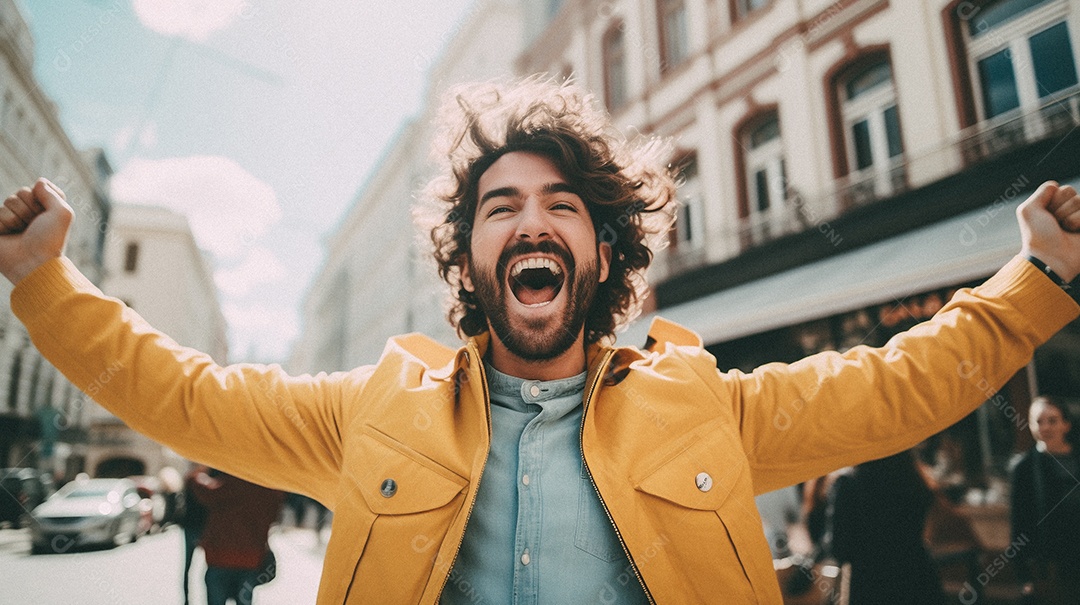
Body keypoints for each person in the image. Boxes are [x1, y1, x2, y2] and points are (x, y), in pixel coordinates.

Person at [0, 78, 1077, 603]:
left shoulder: (707, 402)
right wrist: (47, 281)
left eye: (564, 204)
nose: (532, 221)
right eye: (501, 204)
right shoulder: (368, 412)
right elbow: (187, 394)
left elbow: (897, 383)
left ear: (602, 252)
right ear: (467, 258)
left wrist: (1037, 283)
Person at [828, 451, 946, 605]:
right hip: (918, 578)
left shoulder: (849, 485)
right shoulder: (913, 479)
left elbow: (840, 550)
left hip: (873, 586)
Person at [1010, 396, 1080, 604]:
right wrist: (1024, 576)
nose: (1045, 427)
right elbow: (1019, 522)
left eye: (1052, 420)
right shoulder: (1024, 468)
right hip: (1052, 562)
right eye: (1038, 421)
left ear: (1066, 424)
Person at [191, 469, 284, 605]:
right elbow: (274, 513)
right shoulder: (269, 491)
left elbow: (207, 492)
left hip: (220, 556)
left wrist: (195, 475)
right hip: (250, 558)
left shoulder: (233, 482)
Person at [178, 465, 210, 605]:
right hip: (201, 527)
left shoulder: (190, 479)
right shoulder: (199, 480)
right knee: (209, 566)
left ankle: (186, 600)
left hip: (193, 527)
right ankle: (188, 599)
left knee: (188, 566)